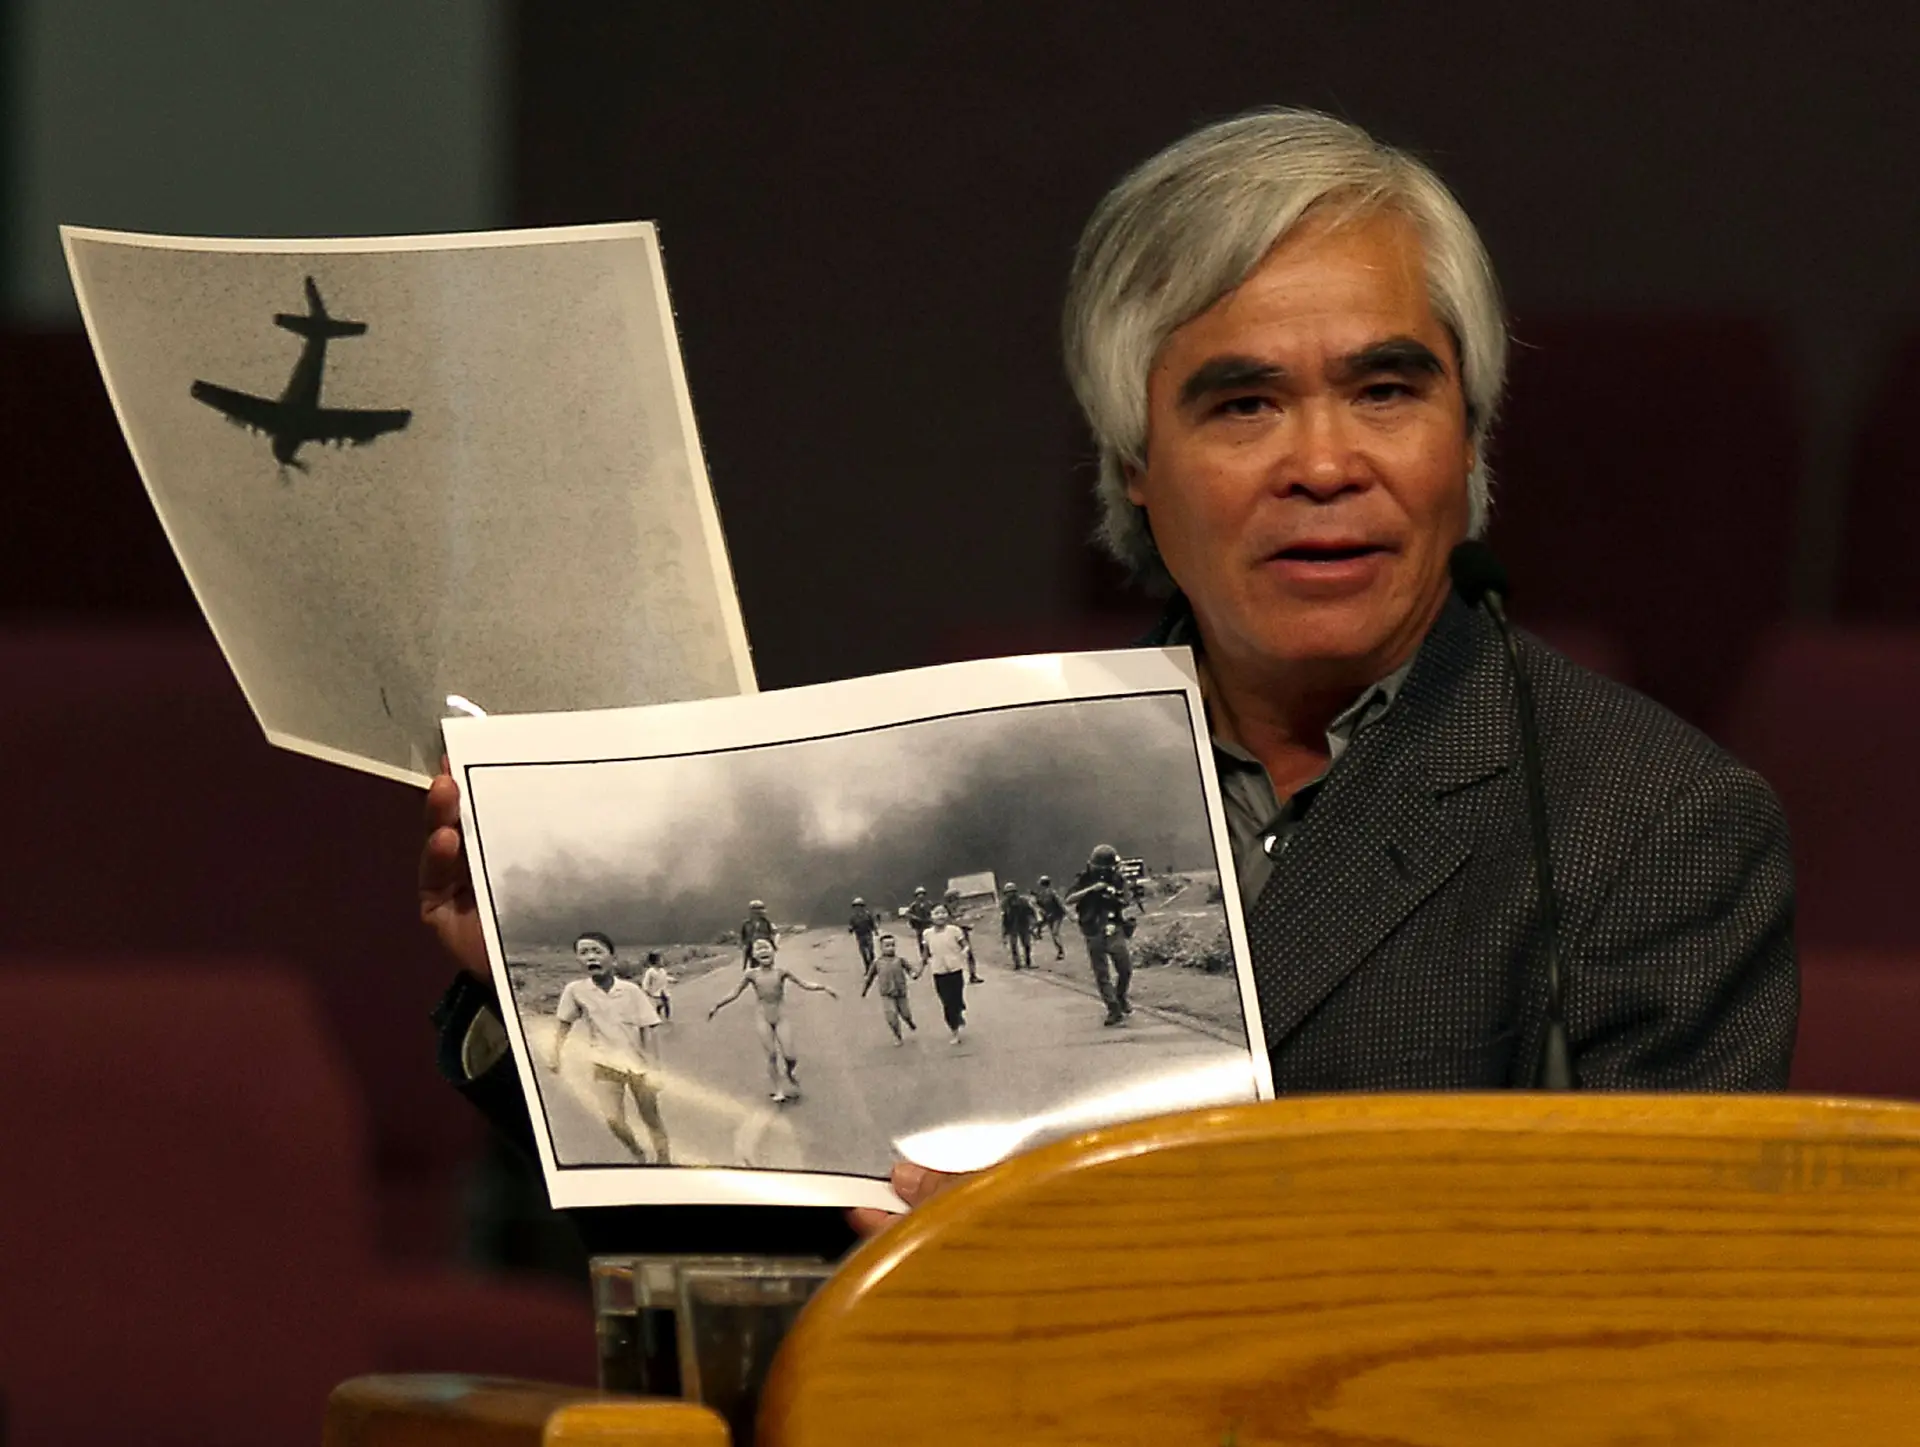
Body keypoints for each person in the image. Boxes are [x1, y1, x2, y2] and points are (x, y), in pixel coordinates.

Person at [420, 105, 1797, 1245]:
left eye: (1388, 389)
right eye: (1242, 402)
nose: (1326, 461)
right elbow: (753, 1234)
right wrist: (523, 999)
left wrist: (1064, 1253)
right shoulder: (999, 772)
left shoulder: (1648, 825)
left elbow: (1655, 1321)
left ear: (1468, 433)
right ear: (1135, 465)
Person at [549, 931, 671, 1164]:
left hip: (638, 1065)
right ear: (578, 960)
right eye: (584, 953)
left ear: (612, 958)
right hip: (603, 1064)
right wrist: (555, 1054)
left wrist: (655, 1068)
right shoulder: (576, 990)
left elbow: (649, 1028)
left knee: (651, 1117)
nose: (591, 957)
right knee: (613, 1119)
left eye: (597, 951)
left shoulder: (631, 990)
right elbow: (564, 1023)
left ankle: (664, 1159)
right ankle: (637, 1151)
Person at [708, 937, 839, 1103]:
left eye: (766, 948)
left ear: (774, 951)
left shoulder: (781, 972)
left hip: (781, 1016)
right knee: (771, 1054)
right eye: (758, 949)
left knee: (791, 1056)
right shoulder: (751, 974)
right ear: (754, 956)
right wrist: (717, 1005)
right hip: (763, 1017)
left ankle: (790, 1073)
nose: (763, 951)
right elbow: (734, 993)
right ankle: (778, 1089)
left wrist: (824, 987)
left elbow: (804, 983)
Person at [1065, 845, 1136, 1027]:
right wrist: (1092, 889)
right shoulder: (1084, 878)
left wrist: (1115, 896)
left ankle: (1120, 996)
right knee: (1101, 972)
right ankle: (1113, 1008)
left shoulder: (1117, 878)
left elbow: (1127, 898)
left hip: (1113, 925)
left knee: (1125, 967)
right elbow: (1069, 898)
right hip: (1092, 929)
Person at [923, 904, 973, 1044]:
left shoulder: (954, 930)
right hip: (938, 972)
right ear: (931, 916)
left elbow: (965, 945)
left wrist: (964, 952)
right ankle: (954, 1031)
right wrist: (919, 969)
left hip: (955, 969)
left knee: (956, 998)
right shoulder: (927, 934)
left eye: (943, 912)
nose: (940, 916)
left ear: (947, 915)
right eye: (937, 913)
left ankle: (959, 1011)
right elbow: (926, 952)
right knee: (946, 1002)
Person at [860, 932, 920, 1044]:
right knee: (891, 1016)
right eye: (887, 946)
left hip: (901, 992)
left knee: (905, 1013)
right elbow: (869, 978)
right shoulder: (877, 963)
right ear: (881, 948)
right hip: (887, 994)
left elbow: (910, 969)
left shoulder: (900, 960)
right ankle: (897, 1036)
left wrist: (913, 974)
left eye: (892, 945)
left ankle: (909, 1021)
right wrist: (864, 991)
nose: (890, 948)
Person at [999, 881, 1038, 971]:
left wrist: (1033, 923)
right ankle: (1017, 963)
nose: (1010, 894)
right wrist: (1004, 931)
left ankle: (1028, 962)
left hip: (1023, 924)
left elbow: (1031, 912)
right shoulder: (1005, 903)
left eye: (1011, 892)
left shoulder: (1023, 901)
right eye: (1008, 893)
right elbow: (1004, 917)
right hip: (1012, 926)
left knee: (1026, 944)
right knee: (1013, 945)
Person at [1032, 875, 1067, 959]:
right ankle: (1060, 951)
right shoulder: (1043, 893)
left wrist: (1066, 912)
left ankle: (1061, 951)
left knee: (1054, 933)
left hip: (1056, 915)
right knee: (1053, 934)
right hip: (1050, 916)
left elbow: (1059, 903)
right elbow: (1041, 904)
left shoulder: (1051, 893)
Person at [738, 899, 777, 964]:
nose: (758, 914)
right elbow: (743, 936)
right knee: (754, 966)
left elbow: (773, 933)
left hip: (765, 947)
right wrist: (743, 945)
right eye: (756, 912)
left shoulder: (766, 922)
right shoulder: (746, 924)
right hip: (752, 948)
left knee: (768, 963)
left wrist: (774, 944)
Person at [639, 951, 672, 1023]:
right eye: (661, 960)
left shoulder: (662, 971)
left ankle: (667, 1018)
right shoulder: (650, 972)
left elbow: (665, 978)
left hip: (663, 991)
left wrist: (672, 980)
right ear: (656, 962)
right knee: (660, 1004)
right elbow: (645, 982)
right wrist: (646, 989)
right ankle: (657, 1012)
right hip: (656, 992)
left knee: (667, 1004)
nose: (662, 962)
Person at [904, 887, 935, 963]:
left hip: (928, 924)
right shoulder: (914, 905)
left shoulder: (929, 904)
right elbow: (908, 914)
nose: (920, 896)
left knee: (930, 940)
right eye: (919, 894)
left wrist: (931, 918)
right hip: (919, 926)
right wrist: (914, 917)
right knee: (921, 941)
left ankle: (932, 954)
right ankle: (923, 956)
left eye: (922, 894)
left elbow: (934, 911)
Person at [847, 896, 879, 968]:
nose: (858, 908)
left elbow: (872, 923)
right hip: (860, 936)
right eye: (856, 906)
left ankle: (873, 966)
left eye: (859, 906)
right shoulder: (853, 917)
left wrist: (876, 931)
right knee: (863, 953)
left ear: (862, 906)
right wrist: (850, 929)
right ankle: (867, 967)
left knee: (871, 951)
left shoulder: (868, 914)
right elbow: (851, 926)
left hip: (868, 935)